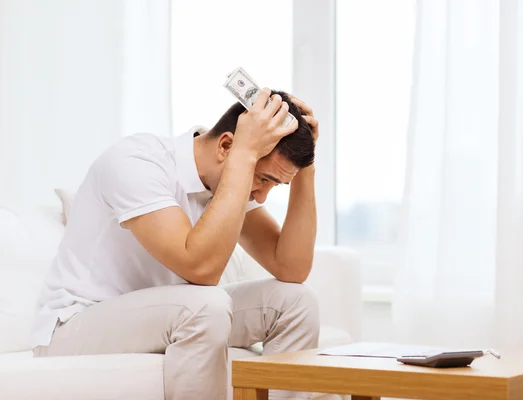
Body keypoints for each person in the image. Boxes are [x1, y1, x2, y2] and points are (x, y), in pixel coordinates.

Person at [31, 88, 321, 400]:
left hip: (163, 318)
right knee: (205, 305)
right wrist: (245, 157)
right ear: (226, 145)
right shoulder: (138, 161)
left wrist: (305, 169)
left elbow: (291, 267)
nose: (262, 196)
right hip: (75, 326)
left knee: (296, 301)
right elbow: (200, 268)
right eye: (263, 179)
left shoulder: (228, 176)